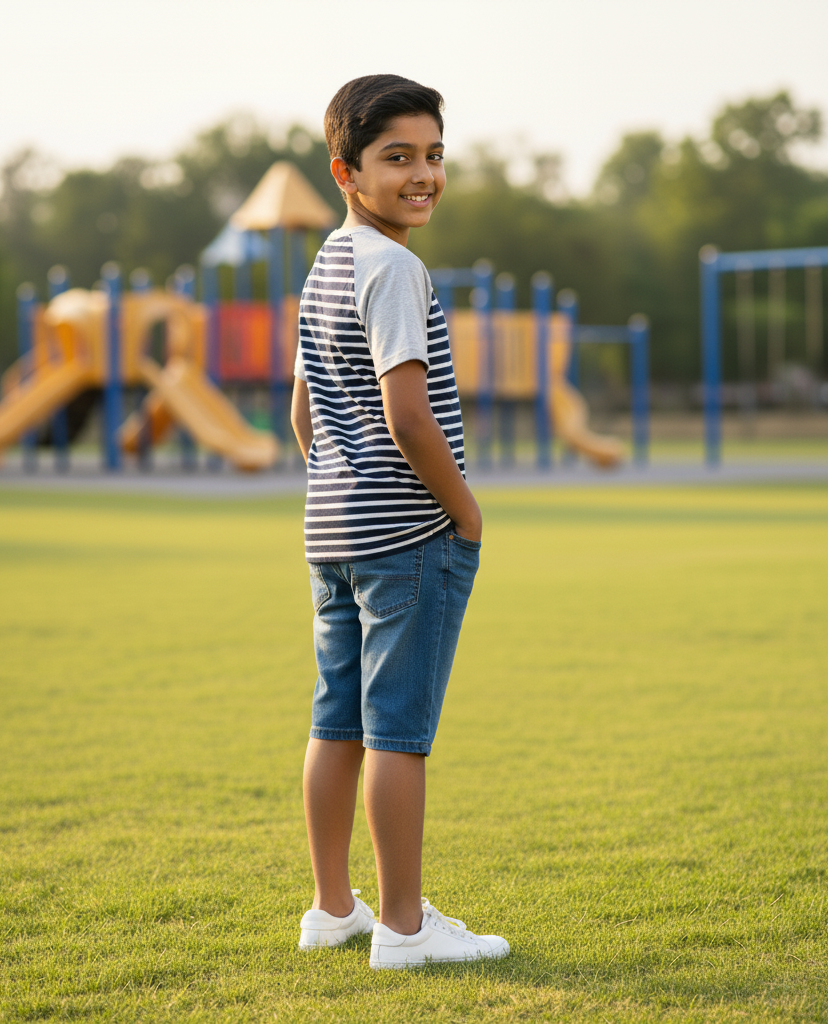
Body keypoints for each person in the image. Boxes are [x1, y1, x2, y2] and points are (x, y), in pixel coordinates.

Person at [290, 75, 509, 970]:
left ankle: (331, 909)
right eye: (398, 157)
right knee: (397, 732)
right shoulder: (395, 268)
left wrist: (340, 483)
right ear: (346, 171)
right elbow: (409, 414)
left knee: (336, 723)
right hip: (408, 540)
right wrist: (465, 512)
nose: (423, 174)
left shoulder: (328, 263)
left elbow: (304, 411)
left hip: (334, 535)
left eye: (434, 155)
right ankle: (405, 928)